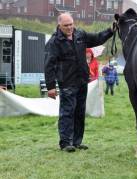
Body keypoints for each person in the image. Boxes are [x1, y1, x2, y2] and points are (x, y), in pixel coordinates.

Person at [44, 12, 114, 152]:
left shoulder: (80, 34)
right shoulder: (54, 42)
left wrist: (111, 30)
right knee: (67, 112)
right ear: (59, 25)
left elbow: (97, 39)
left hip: (82, 80)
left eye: (71, 24)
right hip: (67, 82)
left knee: (80, 112)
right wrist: (50, 87)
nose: (70, 27)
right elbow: (49, 65)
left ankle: (76, 142)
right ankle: (65, 143)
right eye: (66, 25)